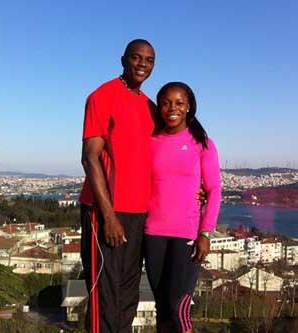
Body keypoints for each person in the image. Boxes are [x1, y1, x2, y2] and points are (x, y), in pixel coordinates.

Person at [80, 39, 156, 333]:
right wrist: (108, 216)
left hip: (139, 214)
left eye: (149, 60)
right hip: (106, 212)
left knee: (128, 297)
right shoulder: (102, 96)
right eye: (136, 58)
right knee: (105, 297)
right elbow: (89, 158)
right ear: (123, 59)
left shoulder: (150, 106)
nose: (142, 64)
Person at [144, 82, 222, 333]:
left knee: (180, 307)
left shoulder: (203, 143)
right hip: (153, 232)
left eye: (179, 103)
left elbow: (214, 191)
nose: (172, 108)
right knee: (162, 306)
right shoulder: (151, 140)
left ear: (189, 107)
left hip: (186, 234)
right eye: (166, 103)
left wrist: (206, 233)